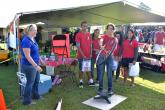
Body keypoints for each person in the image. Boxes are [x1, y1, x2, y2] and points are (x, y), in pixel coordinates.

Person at [21, 24, 45, 105]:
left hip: (35, 64)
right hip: (29, 65)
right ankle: (26, 101)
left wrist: (40, 60)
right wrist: (36, 66)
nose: (36, 31)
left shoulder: (33, 39)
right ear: (30, 31)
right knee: (30, 83)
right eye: (35, 30)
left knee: (36, 81)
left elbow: (36, 52)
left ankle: (36, 96)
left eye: (36, 30)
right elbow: (27, 56)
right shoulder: (26, 41)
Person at [97, 23, 117, 95]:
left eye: (112, 29)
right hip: (102, 57)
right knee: (101, 74)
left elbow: (113, 49)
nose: (110, 30)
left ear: (113, 30)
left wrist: (106, 50)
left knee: (109, 74)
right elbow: (101, 42)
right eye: (109, 28)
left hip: (110, 58)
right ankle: (100, 89)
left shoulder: (115, 39)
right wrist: (101, 45)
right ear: (106, 29)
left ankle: (110, 89)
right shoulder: (103, 37)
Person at [75, 21, 95, 88]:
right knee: (81, 69)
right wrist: (83, 55)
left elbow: (91, 45)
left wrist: (91, 53)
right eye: (83, 26)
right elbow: (78, 46)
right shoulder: (78, 34)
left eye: (86, 26)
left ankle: (90, 81)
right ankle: (81, 81)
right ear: (81, 26)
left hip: (88, 55)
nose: (85, 27)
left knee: (88, 68)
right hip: (81, 56)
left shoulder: (89, 34)